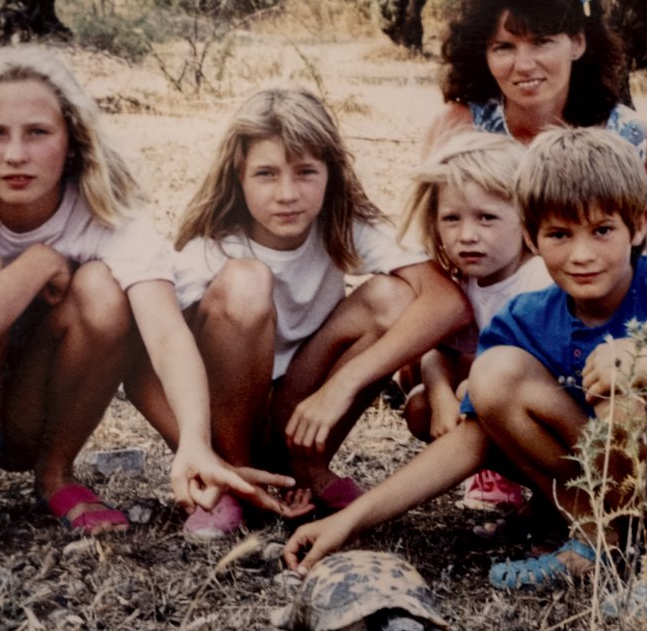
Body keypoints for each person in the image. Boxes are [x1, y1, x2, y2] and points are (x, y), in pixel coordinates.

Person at [286, 128, 647, 602]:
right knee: (494, 373)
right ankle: (595, 540)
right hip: (631, 495)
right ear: (531, 236)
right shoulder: (528, 315)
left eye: (602, 230)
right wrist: (350, 521)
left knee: (626, 407)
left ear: (638, 226)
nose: (581, 255)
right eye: (559, 234)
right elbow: (471, 439)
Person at [0, 48, 296, 541]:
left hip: (27, 420)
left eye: (38, 132)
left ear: (72, 140)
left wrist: (194, 442)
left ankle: (56, 474)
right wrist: (39, 262)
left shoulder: (107, 212)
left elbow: (164, 333)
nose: (16, 154)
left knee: (106, 288)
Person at [129, 88, 470, 541]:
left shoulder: (344, 223)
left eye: (306, 172)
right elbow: (137, 371)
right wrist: (205, 455)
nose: (287, 194)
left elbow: (447, 301)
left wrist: (343, 385)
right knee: (247, 283)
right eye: (266, 174)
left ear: (331, 172)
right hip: (230, 420)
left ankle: (305, 467)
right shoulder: (209, 247)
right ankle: (235, 480)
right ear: (238, 175)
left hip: (300, 410)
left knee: (394, 296)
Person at [424, 0, 647, 271]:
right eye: (504, 47)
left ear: (577, 43)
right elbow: (427, 249)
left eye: (541, 42)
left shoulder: (631, 138)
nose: (523, 65)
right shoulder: (458, 127)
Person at [395, 130, 550, 515]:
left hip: (557, 423)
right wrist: (441, 397)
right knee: (420, 405)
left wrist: (463, 392)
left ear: (526, 218)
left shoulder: (540, 281)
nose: (467, 236)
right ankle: (499, 475)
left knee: (471, 384)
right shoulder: (467, 283)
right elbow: (439, 351)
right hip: (497, 408)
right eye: (451, 218)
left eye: (487, 217)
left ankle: (556, 504)